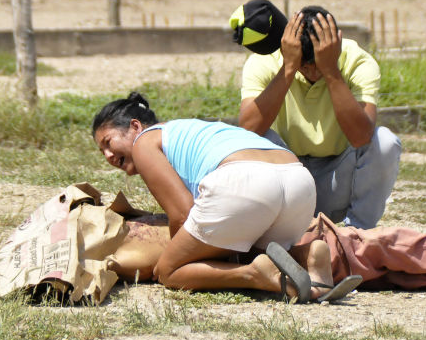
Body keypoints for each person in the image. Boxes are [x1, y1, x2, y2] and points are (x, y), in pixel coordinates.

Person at [0, 196, 426, 300]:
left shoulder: (137, 219)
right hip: (274, 257)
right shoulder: (94, 250)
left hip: (270, 248)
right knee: (392, 246)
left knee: (391, 261)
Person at [91, 91, 361, 303]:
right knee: (242, 251)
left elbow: (182, 214)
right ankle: (309, 256)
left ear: (135, 126)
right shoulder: (192, 127)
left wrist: (178, 254)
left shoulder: (144, 143)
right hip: (298, 182)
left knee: (168, 271)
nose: (108, 156)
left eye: (108, 142)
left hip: (245, 182)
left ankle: (254, 276)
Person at [231, 0, 402, 229]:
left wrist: (331, 71)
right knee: (257, 141)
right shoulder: (265, 61)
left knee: (385, 142)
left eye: (316, 63)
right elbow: (247, 130)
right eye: (305, 64)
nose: (312, 71)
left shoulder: (358, 61)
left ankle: (357, 233)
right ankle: (273, 229)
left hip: (336, 183)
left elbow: (362, 137)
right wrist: (289, 67)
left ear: (335, 45)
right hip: (288, 181)